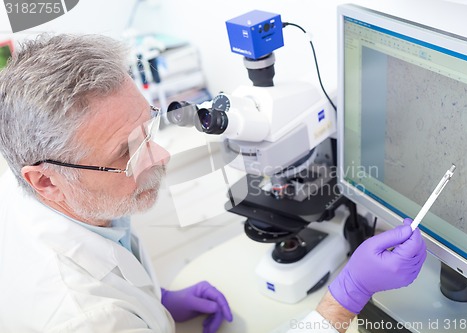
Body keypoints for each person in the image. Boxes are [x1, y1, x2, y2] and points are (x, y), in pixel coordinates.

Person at [0, 33, 426, 333]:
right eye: (125, 154)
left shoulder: (68, 197)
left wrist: (158, 301)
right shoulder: (85, 318)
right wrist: (349, 294)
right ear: (45, 181)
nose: (161, 156)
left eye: (148, 130)